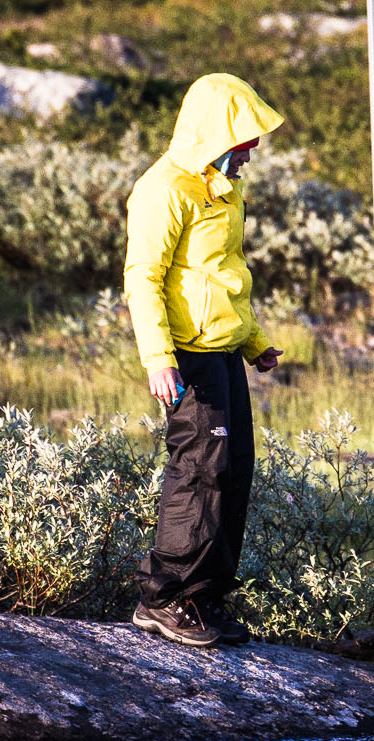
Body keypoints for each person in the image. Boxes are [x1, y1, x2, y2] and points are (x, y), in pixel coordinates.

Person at [123, 73, 286, 649]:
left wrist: (253, 342)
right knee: (199, 470)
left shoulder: (222, 187)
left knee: (233, 467)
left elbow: (223, 279)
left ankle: (202, 600)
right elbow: (143, 278)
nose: (253, 147)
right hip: (186, 359)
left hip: (222, 354)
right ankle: (162, 599)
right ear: (214, 134)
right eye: (244, 136)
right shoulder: (162, 189)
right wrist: (157, 358)